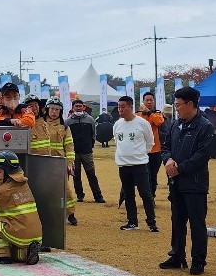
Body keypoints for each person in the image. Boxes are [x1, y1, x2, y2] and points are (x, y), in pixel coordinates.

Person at [160, 86, 212, 275]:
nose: (177, 109)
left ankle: (198, 260)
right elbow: (165, 147)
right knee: (177, 220)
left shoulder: (204, 126)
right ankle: (177, 255)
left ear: (190, 104)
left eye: (179, 105)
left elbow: (203, 155)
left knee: (197, 223)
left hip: (195, 183)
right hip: (175, 182)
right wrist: (168, 160)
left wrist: (179, 168)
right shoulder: (175, 124)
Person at [0, 150, 43, 265]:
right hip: (36, 236)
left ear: (7, 172)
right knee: (16, 254)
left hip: (21, 234)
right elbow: (3, 187)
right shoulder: (22, 184)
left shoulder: (5, 190)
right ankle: (26, 253)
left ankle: (2, 256)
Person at [114, 95, 157, 232]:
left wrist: (140, 154)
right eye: (119, 107)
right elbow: (117, 142)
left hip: (140, 164)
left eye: (123, 107)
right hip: (123, 165)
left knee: (145, 193)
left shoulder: (142, 123)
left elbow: (150, 142)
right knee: (128, 194)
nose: (120, 109)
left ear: (131, 107)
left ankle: (151, 222)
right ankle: (132, 221)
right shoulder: (117, 124)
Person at [42, 99, 78, 226]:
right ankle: (47, 214)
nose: (54, 112)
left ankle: (71, 214)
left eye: (57, 109)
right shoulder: (40, 124)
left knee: (64, 189)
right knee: (44, 189)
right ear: (47, 109)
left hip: (59, 162)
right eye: (52, 109)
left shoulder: (65, 126)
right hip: (43, 161)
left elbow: (69, 146)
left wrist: (70, 163)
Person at [66, 98, 105, 203]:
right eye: (76, 106)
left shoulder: (90, 120)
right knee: (76, 176)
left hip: (87, 152)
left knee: (91, 174)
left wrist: (90, 146)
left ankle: (98, 196)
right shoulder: (68, 122)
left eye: (80, 106)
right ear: (73, 108)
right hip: (74, 153)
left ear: (83, 107)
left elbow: (93, 134)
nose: (78, 108)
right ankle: (80, 195)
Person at [138, 91, 166, 196]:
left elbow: (159, 122)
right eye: (147, 100)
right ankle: (146, 196)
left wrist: (149, 112)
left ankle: (152, 196)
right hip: (142, 150)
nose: (149, 102)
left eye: (151, 100)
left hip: (156, 150)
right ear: (143, 101)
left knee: (153, 175)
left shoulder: (157, 114)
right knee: (145, 175)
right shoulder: (138, 115)